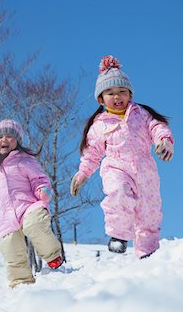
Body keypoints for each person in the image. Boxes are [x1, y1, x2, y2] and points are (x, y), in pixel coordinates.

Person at [70, 55, 174, 259]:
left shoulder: (140, 113)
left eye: (122, 92)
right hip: (117, 169)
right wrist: (82, 174)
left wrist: (164, 141)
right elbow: (91, 154)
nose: (117, 97)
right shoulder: (99, 125)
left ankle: (148, 253)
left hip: (146, 171)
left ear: (130, 94)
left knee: (150, 212)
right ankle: (118, 236)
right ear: (101, 99)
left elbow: (157, 127)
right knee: (118, 192)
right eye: (110, 93)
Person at [0, 119, 63, 288]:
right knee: (10, 247)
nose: (4, 140)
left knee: (35, 225)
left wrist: (43, 190)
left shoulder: (24, 160)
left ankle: (53, 256)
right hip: (4, 216)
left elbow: (38, 178)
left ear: (17, 141)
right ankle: (21, 282)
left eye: (9, 136)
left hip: (28, 206)